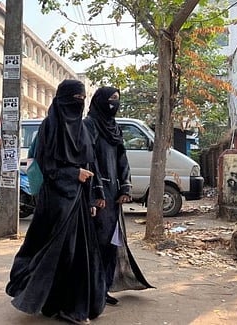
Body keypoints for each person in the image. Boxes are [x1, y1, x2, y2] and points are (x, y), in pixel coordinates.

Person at [6, 80, 105, 325]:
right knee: (57, 252)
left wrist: (91, 196)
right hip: (55, 203)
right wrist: (74, 174)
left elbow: (90, 164)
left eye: (82, 98)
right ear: (62, 99)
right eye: (74, 98)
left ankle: (72, 307)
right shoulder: (49, 126)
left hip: (78, 201)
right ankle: (54, 303)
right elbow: (47, 165)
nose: (78, 103)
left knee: (79, 254)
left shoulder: (83, 129)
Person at [84, 87, 152, 306]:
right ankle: (93, 291)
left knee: (112, 244)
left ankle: (104, 288)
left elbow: (122, 158)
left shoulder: (113, 128)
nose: (115, 103)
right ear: (100, 101)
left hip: (114, 196)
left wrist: (125, 188)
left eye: (118, 100)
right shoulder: (90, 126)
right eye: (111, 99)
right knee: (97, 243)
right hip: (99, 194)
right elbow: (88, 160)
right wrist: (96, 194)